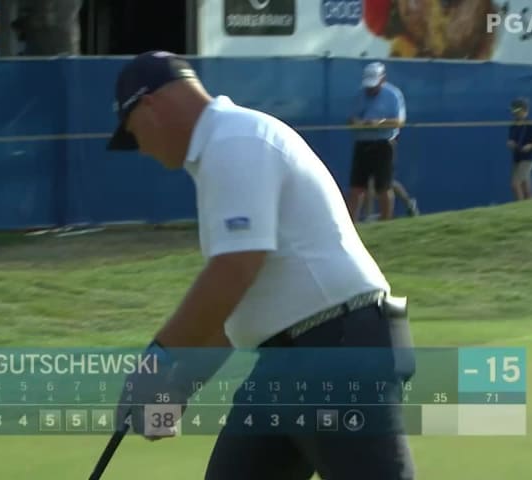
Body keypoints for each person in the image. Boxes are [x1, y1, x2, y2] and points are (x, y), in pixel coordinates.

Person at [106, 51, 415, 480]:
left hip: (338, 350)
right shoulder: (224, 149)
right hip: (287, 361)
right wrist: (177, 389)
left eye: (132, 132)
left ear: (151, 107)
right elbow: (237, 306)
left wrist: (155, 362)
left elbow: (234, 271)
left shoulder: (234, 140)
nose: (139, 148)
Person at [346, 62, 406, 222]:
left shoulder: (393, 95)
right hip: (362, 144)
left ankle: (386, 222)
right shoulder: (360, 95)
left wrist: (379, 123)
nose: (370, 89)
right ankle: (351, 223)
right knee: (356, 188)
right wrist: (357, 122)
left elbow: (399, 121)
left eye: (374, 84)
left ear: (383, 79)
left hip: (383, 144)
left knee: (383, 187)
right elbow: (351, 118)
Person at [507, 97, 532, 201]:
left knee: (515, 184)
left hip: (528, 159)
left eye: (517, 111)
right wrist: (511, 143)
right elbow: (512, 141)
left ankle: (519, 209)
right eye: (514, 111)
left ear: (525, 111)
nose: (515, 114)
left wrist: (531, 146)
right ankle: (531, 207)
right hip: (517, 159)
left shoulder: (531, 126)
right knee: (526, 188)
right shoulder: (513, 126)